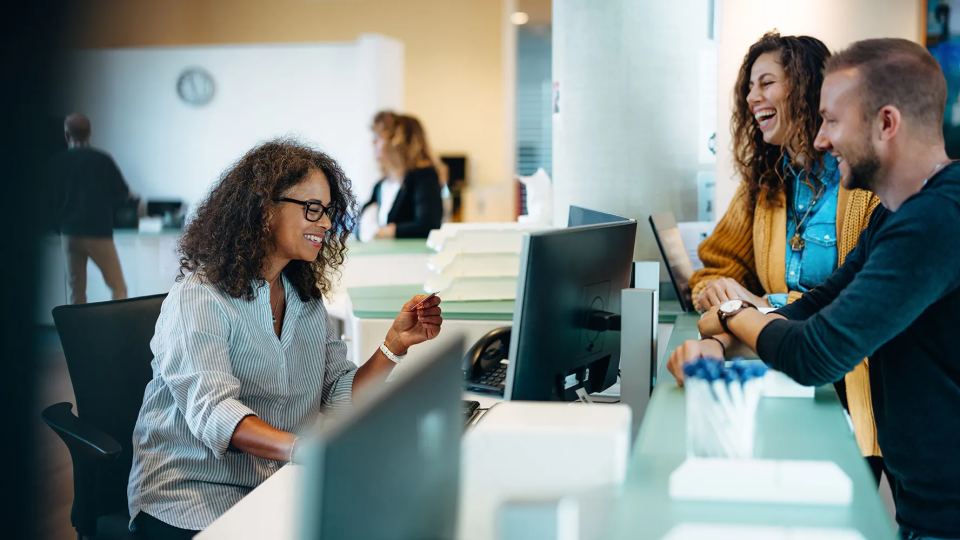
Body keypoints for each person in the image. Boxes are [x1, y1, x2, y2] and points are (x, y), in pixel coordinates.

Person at [668, 39, 960, 540]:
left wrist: (732, 313)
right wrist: (719, 340)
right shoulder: (894, 218)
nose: (820, 139)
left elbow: (815, 353)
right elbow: (811, 310)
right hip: (924, 503)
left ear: (886, 124)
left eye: (832, 121)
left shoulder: (934, 223)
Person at [126, 140, 444, 539]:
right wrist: (307, 450)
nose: (326, 223)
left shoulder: (304, 299)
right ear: (263, 210)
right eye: (312, 208)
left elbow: (338, 393)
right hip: (190, 495)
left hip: (274, 484)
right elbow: (216, 414)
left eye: (328, 212)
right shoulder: (199, 297)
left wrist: (394, 344)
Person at [689, 32, 884, 481]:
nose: (751, 96)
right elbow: (715, 264)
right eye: (749, 87)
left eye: (766, 83)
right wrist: (716, 291)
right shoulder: (765, 183)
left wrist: (753, 310)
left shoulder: (860, 183)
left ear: (804, 86)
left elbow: (861, 298)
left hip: (846, 379)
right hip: (780, 365)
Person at [49, 113, 131, 304]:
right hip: (98, 233)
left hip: (70, 234)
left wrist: (58, 226)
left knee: (76, 291)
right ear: (90, 133)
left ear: (67, 135)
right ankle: (120, 329)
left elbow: (48, 202)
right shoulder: (102, 160)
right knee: (118, 287)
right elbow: (123, 193)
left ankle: (76, 333)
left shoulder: (57, 163)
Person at [363, 111, 444, 239]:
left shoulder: (424, 177)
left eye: (379, 137)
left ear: (397, 142)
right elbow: (361, 224)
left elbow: (428, 225)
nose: (373, 142)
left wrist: (384, 232)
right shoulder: (381, 184)